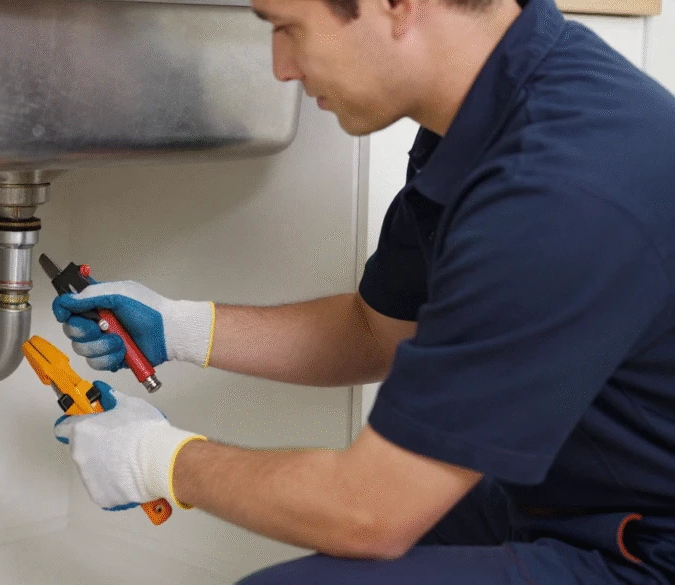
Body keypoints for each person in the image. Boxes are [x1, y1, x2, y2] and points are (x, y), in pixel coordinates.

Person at [49, 0, 675, 582]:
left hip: (647, 547)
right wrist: (179, 327)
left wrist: (156, 460)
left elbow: (370, 511)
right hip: (570, 500)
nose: (281, 67)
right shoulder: (490, 114)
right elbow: (376, 331)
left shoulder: (556, 187)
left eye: (288, 27)